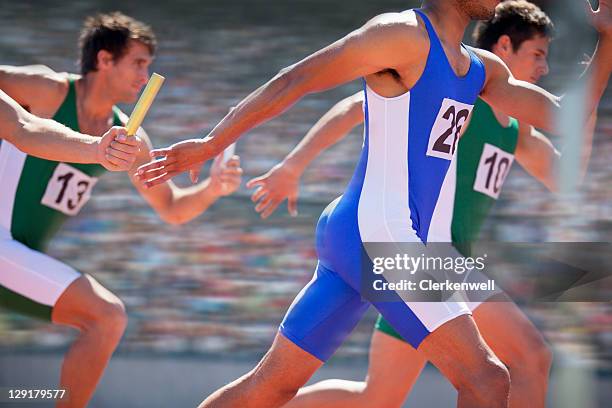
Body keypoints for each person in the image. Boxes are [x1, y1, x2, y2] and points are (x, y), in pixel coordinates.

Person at [137, 1, 611, 407]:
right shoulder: (402, 35)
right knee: (488, 378)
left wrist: (608, 39)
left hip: (372, 239)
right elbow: (297, 78)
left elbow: (563, 115)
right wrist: (210, 142)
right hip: (381, 237)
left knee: (273, 387)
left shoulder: (480, 69)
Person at [0, 12, 242, 408]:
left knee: (102, 320)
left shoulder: (132, 137)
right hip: (3, 248)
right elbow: (21, 126)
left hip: (19, 259)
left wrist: (214, 189)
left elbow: (172, 208)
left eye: (149, 66)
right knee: (106, 316)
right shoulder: (47, 89)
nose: (146, 76)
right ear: (104, 60)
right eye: (138, 63)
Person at [1, 89, 138, 168]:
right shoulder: (50, 86)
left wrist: (98, 149)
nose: (144, 77)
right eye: (138, 63)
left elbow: (23, 126)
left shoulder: (132, 134)